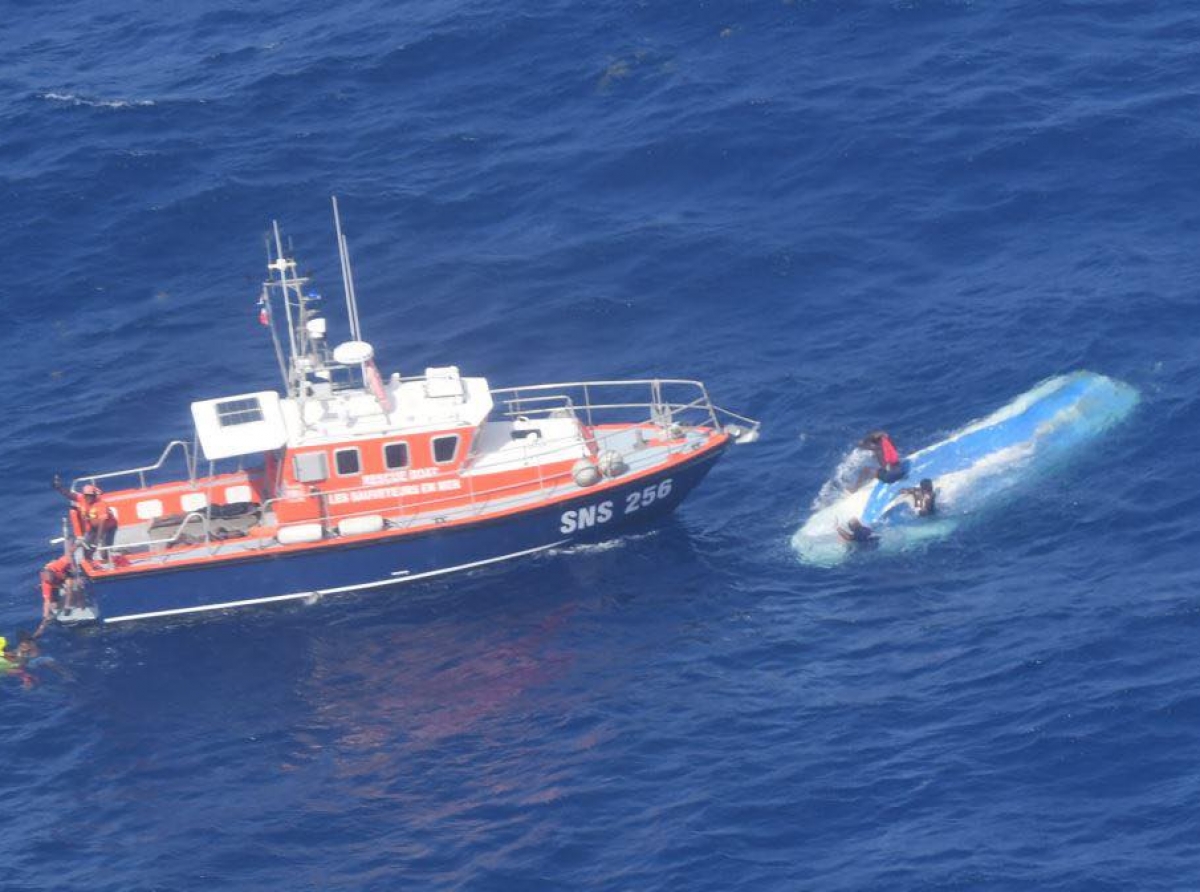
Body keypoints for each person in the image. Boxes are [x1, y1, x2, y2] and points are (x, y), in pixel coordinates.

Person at [53, 475, 118, 560]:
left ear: (94, 495)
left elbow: (102, 525)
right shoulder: (81, 498)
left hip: (107, 528)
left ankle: (109, 558)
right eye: (87, 495)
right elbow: (69, 494)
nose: (88, 497)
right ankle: (89, 562)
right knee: (87, 547)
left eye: (91, 495)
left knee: (104, 552)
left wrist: (96, 542)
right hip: (93, 528)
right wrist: (59, 487)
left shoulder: (101, 505)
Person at [39, 554, 74, 622]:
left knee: (70, 587)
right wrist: (45, 615)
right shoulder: (46, 583)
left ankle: (67, 606)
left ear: (52, 573)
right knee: (54, 606)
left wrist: (78, 544)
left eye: (51, 579)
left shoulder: (59, 565)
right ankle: (49, 613)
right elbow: (47, 601)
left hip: (66, 575)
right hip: (56, 583)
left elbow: (70, 553)